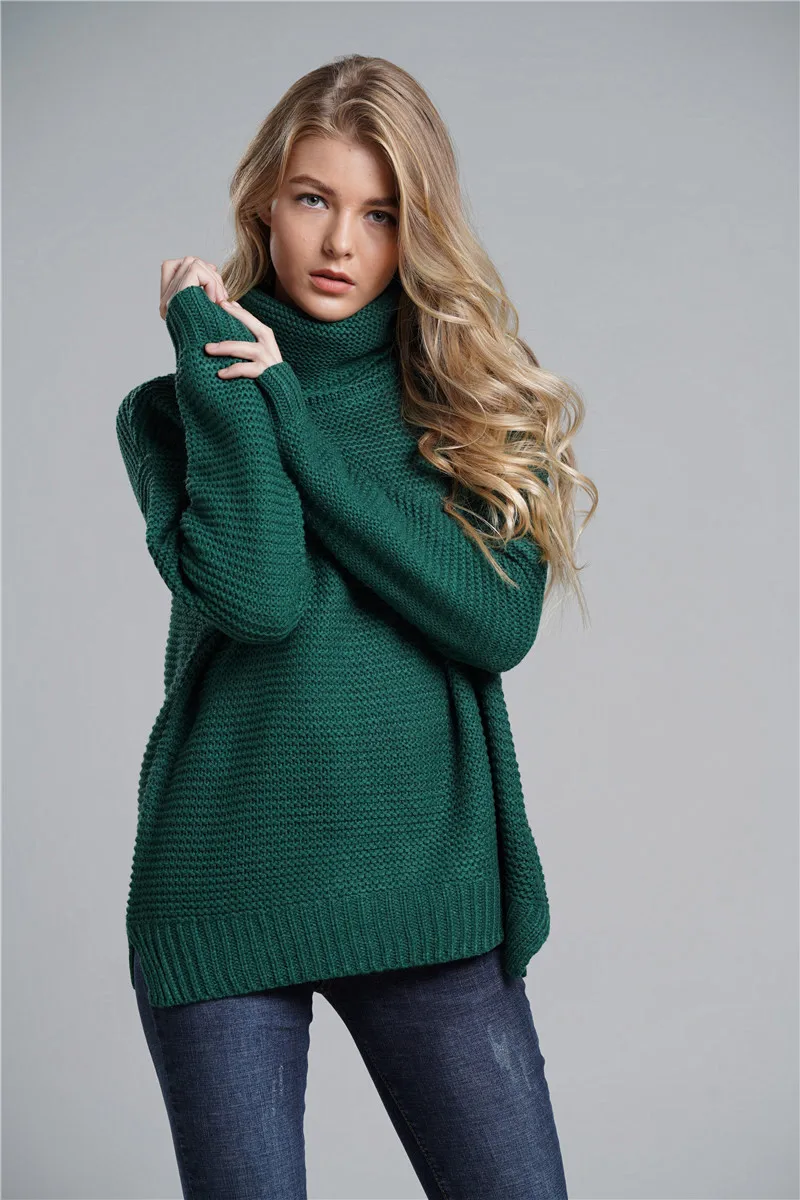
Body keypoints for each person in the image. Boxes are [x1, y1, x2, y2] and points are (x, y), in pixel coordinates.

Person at [117, 52, 596, 1200]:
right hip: (227, 883)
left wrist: (295, 421)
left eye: (379, 214)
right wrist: (224, 372)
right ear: (262, 205)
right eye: (312, 199)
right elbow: (258, 598)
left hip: (424, 887)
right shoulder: (176, 412)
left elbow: (489, 623)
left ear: (415, 229)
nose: (339, 243)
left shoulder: (471, 405)